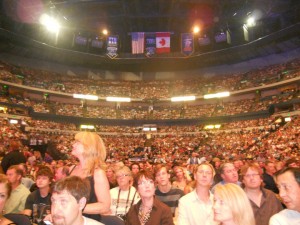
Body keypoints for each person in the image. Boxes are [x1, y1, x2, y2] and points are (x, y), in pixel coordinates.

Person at [69, 132, 111, 221]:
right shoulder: (71, 169)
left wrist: (76, 207)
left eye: (77, 142)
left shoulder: (98, 173)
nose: (73, 144)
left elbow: (105, 206)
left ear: (89, 147)